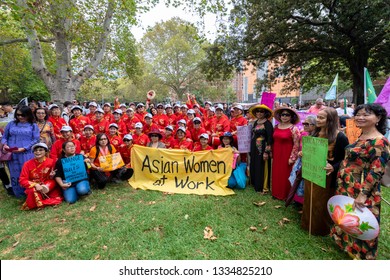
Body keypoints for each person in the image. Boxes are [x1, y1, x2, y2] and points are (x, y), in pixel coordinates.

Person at [330, 104, 390, 260]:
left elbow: (376, 171)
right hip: (347, 185)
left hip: (361, 188)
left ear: (378, 118)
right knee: (348, 217)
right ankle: (347, 246)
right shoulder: (361, 136)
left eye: (366, 115)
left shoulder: (379, 142)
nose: (360, 117)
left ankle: (363, 255)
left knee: (362, 220)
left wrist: (363, 195)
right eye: (358, 114)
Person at [301, 107, 349, 235]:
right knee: (309, 198)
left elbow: (344, 159)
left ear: (331, 120)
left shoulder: (340, 137)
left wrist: (333, 166)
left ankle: (321, 229)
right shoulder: (315, 133)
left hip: (326, 176)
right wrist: (304, 153)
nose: (318, 120)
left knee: (321, 202)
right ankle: (307, 224)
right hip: (312, 171)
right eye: (318, 117)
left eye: (322, 118)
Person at [1, 105, 40, 197]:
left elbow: (36, 139)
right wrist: (5, 144)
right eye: (18, 115)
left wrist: (25, 148)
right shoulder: (11, 124)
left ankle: (30, 191)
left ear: (28, 115)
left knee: (26, 171)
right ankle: (18, 192)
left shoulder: (33, 125)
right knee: (15, 172)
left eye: (23, 115)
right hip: (12, 153)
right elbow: (4, 137)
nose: (20, 117)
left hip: (26, 153)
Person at [19, 143, 63, 209]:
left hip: (47, 186)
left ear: (46, 151)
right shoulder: (27, 164)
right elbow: (22, 180)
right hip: (34, 187)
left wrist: (52, 176)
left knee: (57, 197)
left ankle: (40, 201)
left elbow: (56, 177)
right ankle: (41, 202)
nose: (38, 152)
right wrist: (35, 185)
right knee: (32, 191)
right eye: (36, 150)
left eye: (40, 150)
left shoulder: (51, 162)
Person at [272, 107, 300, 200]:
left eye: (287, 115)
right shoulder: (276, 127)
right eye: (282, 114)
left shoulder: (294, 128)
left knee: (285, 174)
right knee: (276, 172)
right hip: (276, 153)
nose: (284, 116)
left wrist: (292, 157)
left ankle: (285, 195)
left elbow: (296, 144)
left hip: (287, 154)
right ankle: (276, 193)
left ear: (291, 117)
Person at [248, 104, 273, 194]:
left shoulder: (268, 124)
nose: (259, 113)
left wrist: (266, 151)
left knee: (262, 166)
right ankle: (255, 184)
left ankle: (263, 186)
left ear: (265, 113)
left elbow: (270, 138)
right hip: (254, 147)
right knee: (255, 164)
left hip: (262, 148)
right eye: (257, 111)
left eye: (261, 111)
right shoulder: (256, 122)